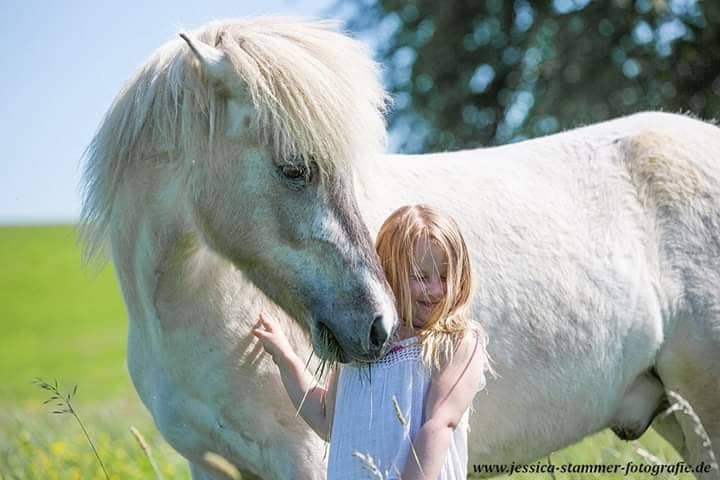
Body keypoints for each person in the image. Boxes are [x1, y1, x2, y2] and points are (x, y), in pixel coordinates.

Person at [252, 204, 492, 479]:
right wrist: (284, 356)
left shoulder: (454, 343)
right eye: (421, 277)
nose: (436, 289)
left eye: (446, 276)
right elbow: (326, 419)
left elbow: (439, 424)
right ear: (388, 273)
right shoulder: (361, 348)